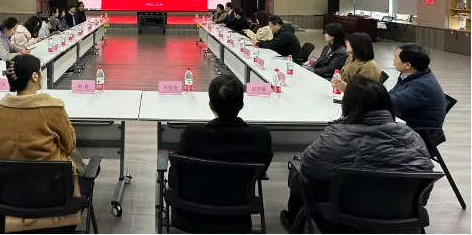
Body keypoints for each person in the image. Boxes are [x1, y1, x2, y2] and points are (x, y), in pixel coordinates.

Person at [280, 76, 434, 233]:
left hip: (344, 220)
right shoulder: (412, 137)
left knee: (300, 173)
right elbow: (424, 186)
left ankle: (294, 220)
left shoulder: (335, 136)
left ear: (348, 104)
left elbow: (309, 165)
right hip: (401, 220)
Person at [0, 54, 86, 232]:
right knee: (78, 163)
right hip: (52, 195)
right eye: (40, 71)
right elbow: (69, 146)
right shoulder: (52, 109)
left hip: (9, 196)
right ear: (34, 76)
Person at [171, 75, 273, 232]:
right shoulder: (261, 137)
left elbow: (176, 172)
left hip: (191, 213)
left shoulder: (192, 135)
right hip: (237, 213)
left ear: (210, 105)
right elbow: (262, 170)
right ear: (242, 104)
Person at [389, 43, 446, 131]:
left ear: (407, 65)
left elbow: (391, 102)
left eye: (396, 57)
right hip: (407, 121)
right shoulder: (408, 75)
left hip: (420, 132)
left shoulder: (423, 86)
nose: (394, 59)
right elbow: (392, 95)